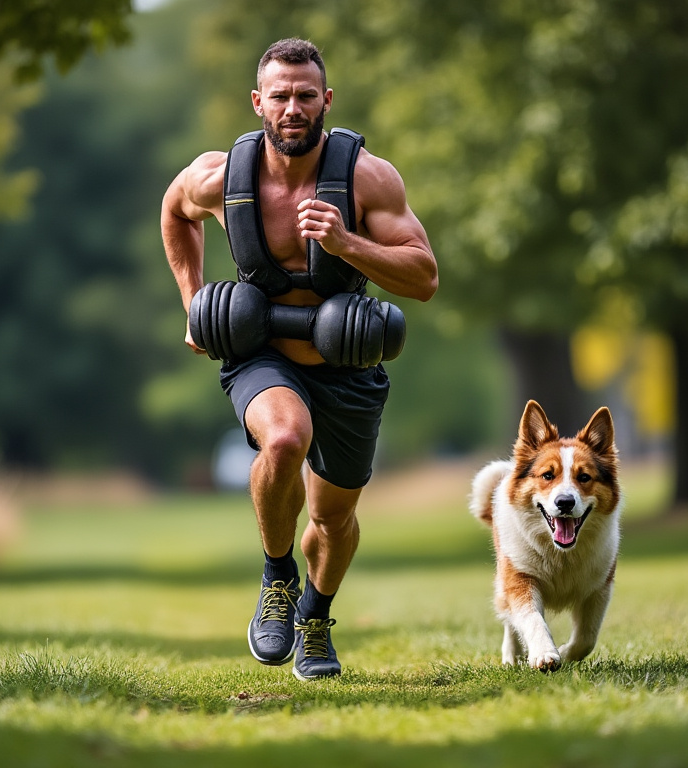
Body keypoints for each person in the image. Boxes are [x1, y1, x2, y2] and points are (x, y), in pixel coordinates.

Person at [161, 38, 437, 680]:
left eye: (305, 96)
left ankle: (315, 618)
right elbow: (175, 211)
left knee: (333, 521)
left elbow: (424, 276)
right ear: (258, 101)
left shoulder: (368, 178)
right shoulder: (220, 177)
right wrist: (193, 302)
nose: (293, 108)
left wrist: (346, 243)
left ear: (326, 100)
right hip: (263, 357)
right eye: (280, 96)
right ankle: (277, 576)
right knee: (284, 439)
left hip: (346, 364)